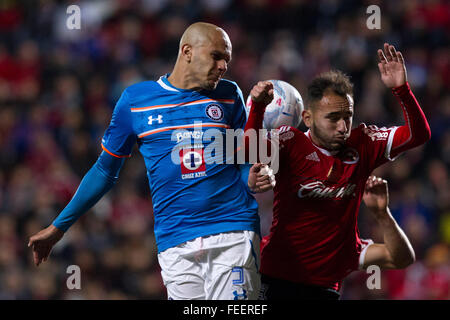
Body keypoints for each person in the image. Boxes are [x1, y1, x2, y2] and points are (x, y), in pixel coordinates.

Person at [28, 22, 275, 300]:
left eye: (227, 60)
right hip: (174, 240)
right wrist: (59, 226)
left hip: (231, 229)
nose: (223, 66)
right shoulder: (135, 100)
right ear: (187, 51)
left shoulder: (230, 95)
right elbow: (104, 171)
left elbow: (243, 161)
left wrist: (252, 176)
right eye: (216, 56)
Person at [245, 43, 431, 299]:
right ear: (308, 118)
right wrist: (257, 108)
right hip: (273, 275)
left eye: (348, 117)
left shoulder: (363, 143)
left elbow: (418, 135)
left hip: (325, 289)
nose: (343, 126)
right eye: (333, 118)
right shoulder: (291, 141)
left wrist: (401, 90)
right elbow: (251, 151)